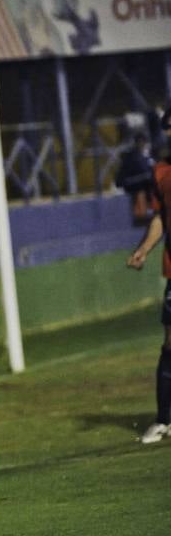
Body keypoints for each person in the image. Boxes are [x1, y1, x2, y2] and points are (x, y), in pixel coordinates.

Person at [124, 107, 171, 445]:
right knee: (170, 346)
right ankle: (164, 419)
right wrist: (144, 249)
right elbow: (160, 219)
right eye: (169, 127)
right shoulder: (161, 173)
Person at [116, 133, 156, 227]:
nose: (142, 145)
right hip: (133, 185)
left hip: (144, 183)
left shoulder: (147, 156)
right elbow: (121, 179)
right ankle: (145, 212)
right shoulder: (131, 157)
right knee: (148, 183)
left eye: (143, 142)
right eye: (140, 142)